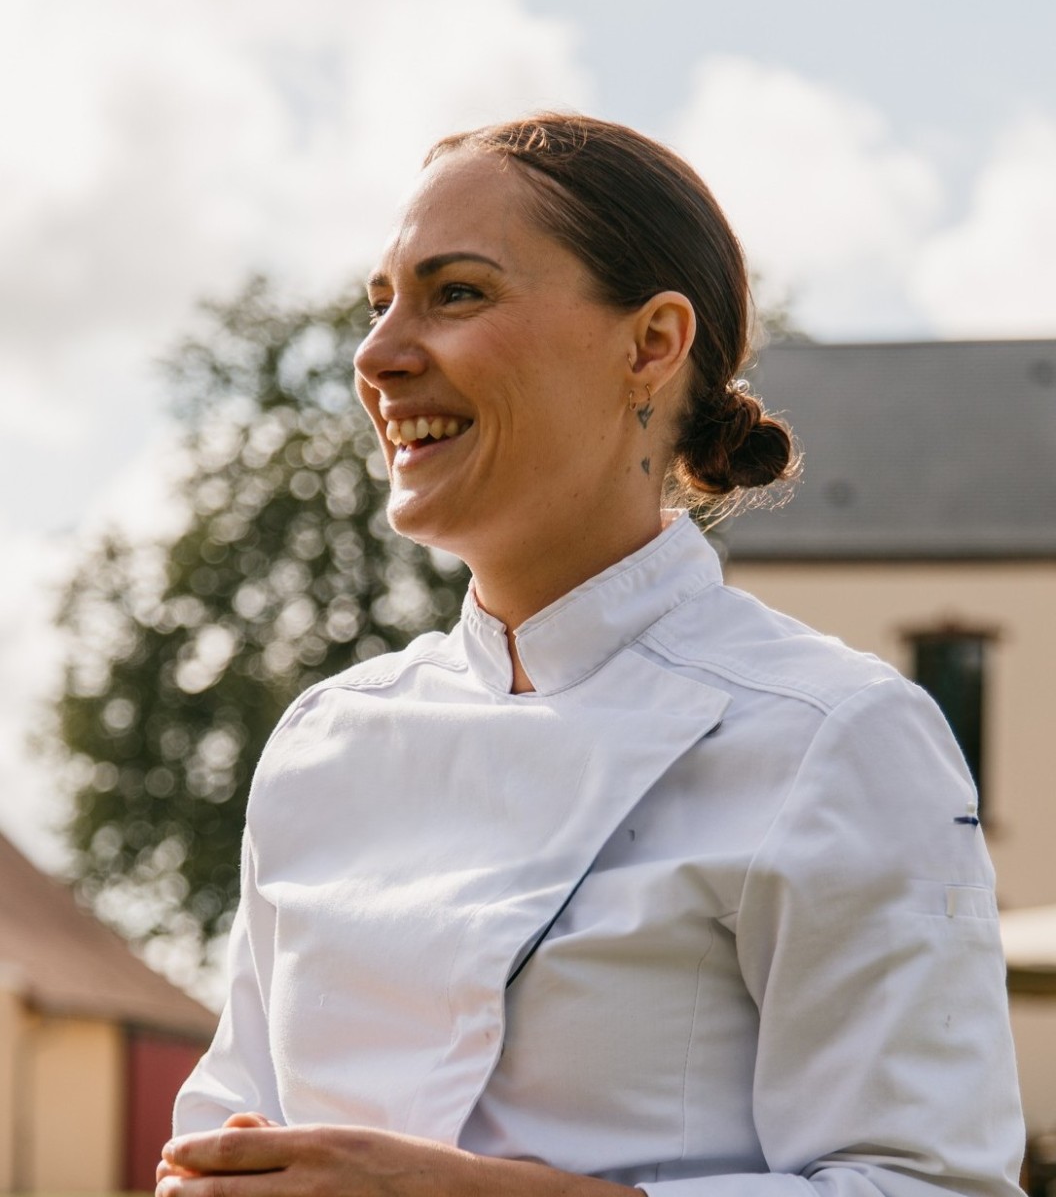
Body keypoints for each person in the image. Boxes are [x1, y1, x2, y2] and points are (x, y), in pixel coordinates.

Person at [157, 114, 1024, 1197]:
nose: (378, 356)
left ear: (651, 344)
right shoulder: (324, 740)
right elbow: (227, 1137)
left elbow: (931, 1187)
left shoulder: (834, 734)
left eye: (456, 292)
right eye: (377, 304)